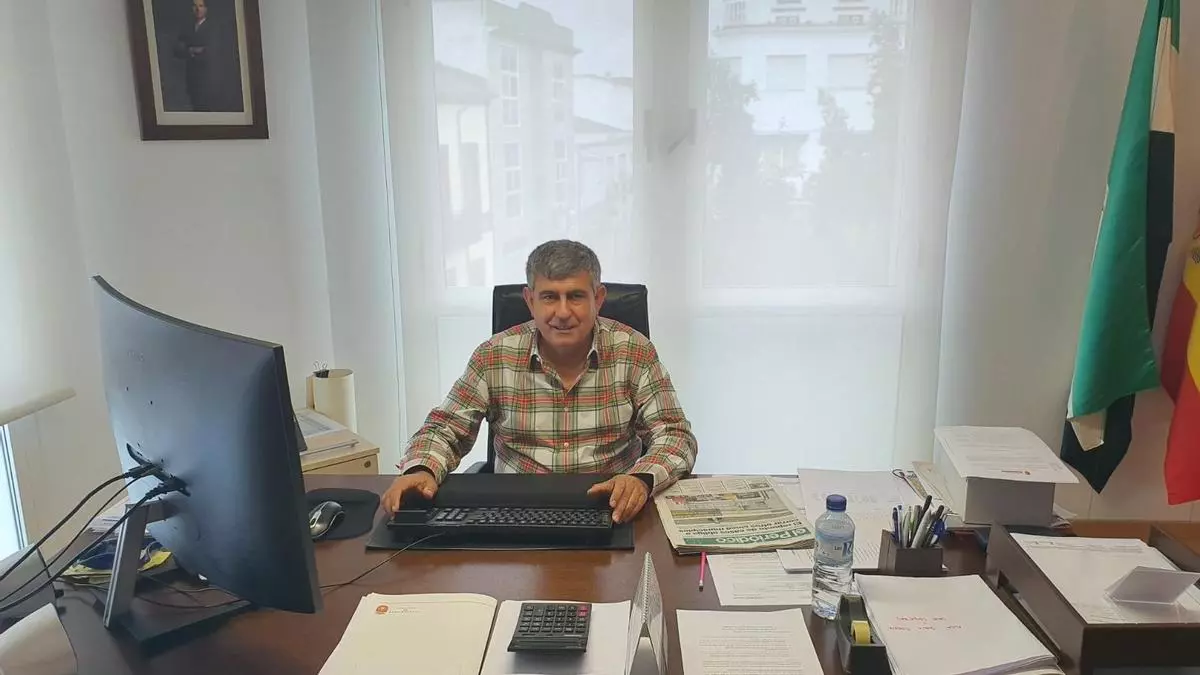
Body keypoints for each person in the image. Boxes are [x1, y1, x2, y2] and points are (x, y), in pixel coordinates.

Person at [382, 240, 697, 523]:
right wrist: (421, 469)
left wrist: (640, 479)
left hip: (611, 510)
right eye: (549, 297)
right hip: (515, 515)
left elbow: (675, 435)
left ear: (598, 299)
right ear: (530, 300)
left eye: (576, 296)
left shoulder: (634, 351)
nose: (563, 312)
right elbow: (445, 428)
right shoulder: (494, 356)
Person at [173, 0, 214, 111]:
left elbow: (212, 51)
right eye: (195, 6)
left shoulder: (212, 28)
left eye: (201, 6)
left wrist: (192, 50)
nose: (198, 9)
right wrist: (191, 50)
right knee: (195, 108)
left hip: (208, 79)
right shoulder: (187, 28)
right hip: (191, 78)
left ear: (206, 9)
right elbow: (177, 50)